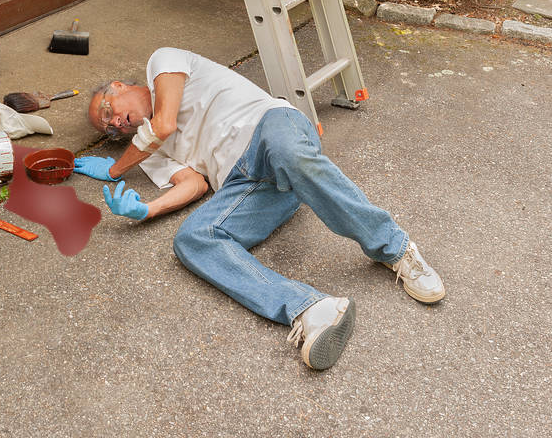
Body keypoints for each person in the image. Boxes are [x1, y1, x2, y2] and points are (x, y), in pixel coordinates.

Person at [73, 47, 445, 370]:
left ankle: (395, 249)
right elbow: (195, 184)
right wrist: (147, 210)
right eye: (108, 132)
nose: (114, 126)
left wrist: (115, 168)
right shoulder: (149, 152)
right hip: (248, 185)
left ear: (119, 86)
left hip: (272, 128)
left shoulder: (163, 63)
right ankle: (310, 309)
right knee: (192, 239)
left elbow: (165, 123)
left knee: (289, 154)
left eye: (108, 112)